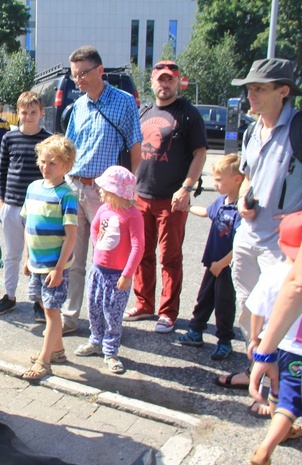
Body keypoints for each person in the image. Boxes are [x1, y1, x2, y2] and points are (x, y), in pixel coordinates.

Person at [216, 58, 302, 391]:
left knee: (282, 313)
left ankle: (281, 385)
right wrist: (243, 200)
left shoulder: (297, 127)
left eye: (260, 88)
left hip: (283, 244)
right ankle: (255, 370)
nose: (251, 94)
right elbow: (248, 176)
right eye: (249, 88)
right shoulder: (253, 130)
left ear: (283, 91)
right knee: (250, 308)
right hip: (248, 236)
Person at [61, 45, 142, 334]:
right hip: (75, 188)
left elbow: (135, 147)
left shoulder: (123, 102)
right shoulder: (78, 106)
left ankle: (109, 323)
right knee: (74, 258)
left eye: (83, 73)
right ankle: (70, 318)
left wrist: (128, 194)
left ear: (99, 71)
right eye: (74, 76)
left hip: (105, 195)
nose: (79, 80)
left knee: (110, 260)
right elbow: (69, 148)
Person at [126, 61, 208, 333]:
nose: (165, 84)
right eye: (160, 79)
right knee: (142, 254)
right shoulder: (144, 111)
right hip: (141, 196)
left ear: (178, 82)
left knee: (170, 259)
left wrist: (186, 188)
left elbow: (199, 153)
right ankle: (143, 304)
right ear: (152, 82)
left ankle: (168, 312)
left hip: (171, 200)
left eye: (170, 79)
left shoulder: (188, 114)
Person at [244, 212, 302, 465]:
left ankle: (276, 436)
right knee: (291, 401)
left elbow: (257, 310)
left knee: (281, 393)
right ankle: (269, 443)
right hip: (298, 348)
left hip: (277, 343)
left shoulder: (274, 274)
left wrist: (257, 342)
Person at [74, 165, 144, 374]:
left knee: (112, 314)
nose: (100, 191)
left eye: (104, 189)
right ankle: (95, 341)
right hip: (98, 270)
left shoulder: (133, 215)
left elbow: (138, 246)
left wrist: (127, 274)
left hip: (117, 275)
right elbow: (95, 227)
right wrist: (98, 246)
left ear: (116, 192)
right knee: (94, 307)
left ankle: (111, 351)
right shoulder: (104, 209)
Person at [20, 134, 78, 382]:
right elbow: (27, 225)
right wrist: (27, 257)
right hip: (36, 263)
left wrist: (59, 268)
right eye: (43, 161)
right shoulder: (33, 188)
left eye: (52, 163)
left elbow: (71, 235)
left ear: (66, 166)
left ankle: (44, 361)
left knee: (52, 311)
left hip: (56, 266)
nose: (45, 167)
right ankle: (57, 350)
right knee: (44, 305)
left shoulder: (67, 195)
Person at [173, 154, 243, 359]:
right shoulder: (221, 201)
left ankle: (224, 341)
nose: (215, 183)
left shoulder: (241, 209)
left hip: (226, 267)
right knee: (204, 299)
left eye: (220, 180)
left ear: (237, 179)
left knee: (224, 305)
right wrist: (186, 208)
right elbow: (206, 212)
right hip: (212, 263)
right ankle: (195, 331)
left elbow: (241, 244)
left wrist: (223, 264)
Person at [0, 91, 52, 320]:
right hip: (12, 204)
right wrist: (0, 199)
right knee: (13, 254)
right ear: (17, 113)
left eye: (33, 112)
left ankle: (37, 300)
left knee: (37, 255)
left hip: (39, 207)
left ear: (41, 113)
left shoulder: (47, 140)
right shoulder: (9, 137)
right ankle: (9, 296)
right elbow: (3, 169)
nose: (28, 116)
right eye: (24, 112)